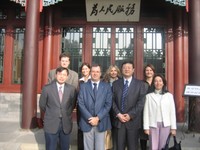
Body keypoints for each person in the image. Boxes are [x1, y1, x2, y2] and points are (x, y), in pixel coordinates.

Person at [39, 67, 77, 150]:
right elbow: (42, 105)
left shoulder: (72, 89)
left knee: (65, 147)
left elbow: (72, 104)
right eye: (60, 74)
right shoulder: (47, 88)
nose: (62, 77)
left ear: (67, 77)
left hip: (66, 123)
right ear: (56, 75)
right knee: (50, 147)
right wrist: (52, 112)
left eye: (64, 75)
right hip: (51, 123)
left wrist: (65, 112)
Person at [112, 60, 146, 150]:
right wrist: (118, 114)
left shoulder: (140, 84)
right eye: (124, 68)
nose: (126, 69)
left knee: (133, 147)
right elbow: (111, 101)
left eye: (129, 68)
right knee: (119, 147)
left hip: (133, 122)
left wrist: (130, 115)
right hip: (119, 121)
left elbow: (141, 102)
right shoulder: (115, 84)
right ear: (121, 70)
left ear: (133, 70)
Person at [78, 64, 112, 150]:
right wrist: (90, 118)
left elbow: (108, 104)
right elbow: (80, 103)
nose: (95, 73)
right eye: (93, 71)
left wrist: (97, 118)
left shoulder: (107, 87)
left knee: (100, 148)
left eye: (97, 71)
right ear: (90, 72)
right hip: (87, 121)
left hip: (101, 122)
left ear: (100, 73)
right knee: (88, 148)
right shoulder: (83, 86)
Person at [143, 74, 177, 150]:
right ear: (153, 83)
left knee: (163, 146)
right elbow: (146, 113)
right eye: (155, 81)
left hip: (166, 124)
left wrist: (173, 128)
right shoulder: (149, 96)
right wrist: (146, 128)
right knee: (153, 146)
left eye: (160, 81)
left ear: (163, 83)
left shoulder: (169, 96)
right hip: (153, 124)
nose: (158, 83)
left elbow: (172, 112)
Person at [103, 65, 121, 150]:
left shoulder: (121, 81)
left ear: (118, 72)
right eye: (111, 71)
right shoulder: (104, 82)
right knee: (108, 129)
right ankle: (108, 147)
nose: (113, 72)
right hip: (107, 109)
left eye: (115, 71)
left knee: (117, 130)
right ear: (109, 72)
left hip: (118, 109)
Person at [140, 64, 155, 150]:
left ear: (153, 72)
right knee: (143, 132)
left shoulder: (157, 82)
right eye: (147, 70)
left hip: (154, 111)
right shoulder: (141, 83)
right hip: (143, 109)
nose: (149, 72)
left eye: (150, 70)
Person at [77, 62, 91, 150]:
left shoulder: (92, 80)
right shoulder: (79, 81)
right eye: (83, 69)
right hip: (80, 108)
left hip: (90, 108)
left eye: (86, 68)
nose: (84, 70)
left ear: (89, 69)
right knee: (80, 128)